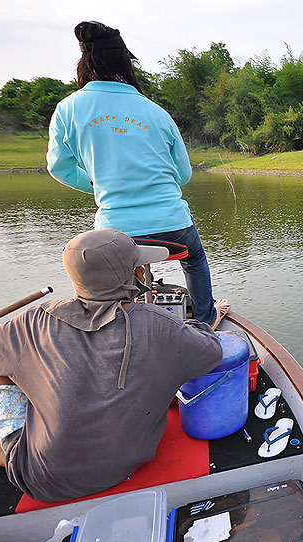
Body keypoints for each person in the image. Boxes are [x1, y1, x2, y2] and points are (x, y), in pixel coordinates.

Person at [0, 228, 224, 502]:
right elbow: (211, 351)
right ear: (139, 277)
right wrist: (187, 324)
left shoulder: (34, 321)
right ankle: (10, 448)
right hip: (125, 465)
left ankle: (11, 446)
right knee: (0, 355)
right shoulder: (161, 326)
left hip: (41, 480)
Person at [46, 21, 230, 329]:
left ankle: (119, 326)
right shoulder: (156, 112)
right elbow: (183, 175)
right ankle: (205, 319)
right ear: (125, 63)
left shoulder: (68, 109)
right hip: (173, 225)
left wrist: (97, 185)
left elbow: (59, 167)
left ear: (84, 63)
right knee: (194, 259)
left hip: (115, 232)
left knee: (115, 269)